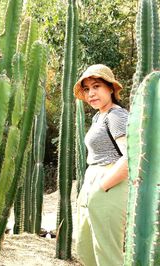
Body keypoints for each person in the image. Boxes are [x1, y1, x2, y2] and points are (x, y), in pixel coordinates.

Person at [73, 64, 129, 266]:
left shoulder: (116, 116)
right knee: (87, 248)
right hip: (93, 182)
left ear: (111, 89)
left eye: (96, 86)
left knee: (107, 254)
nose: (91, 93)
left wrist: (102, 186)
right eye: (87, 89)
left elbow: (131, 158)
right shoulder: (99, 116)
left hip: (110, 184)